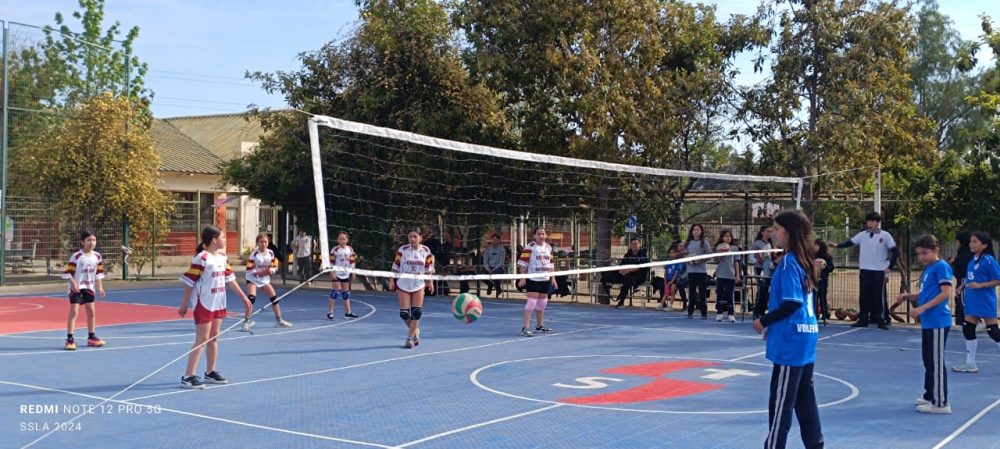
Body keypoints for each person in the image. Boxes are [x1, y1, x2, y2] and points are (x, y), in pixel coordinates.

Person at [752, 210, 823, 449]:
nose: (773, 233)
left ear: (789, 233)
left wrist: (765, 321)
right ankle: (816, 444)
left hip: (791, 341)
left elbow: (793, 302)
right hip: (805, 335)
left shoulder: (790, 262)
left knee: (781, 403)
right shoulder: (804, 262)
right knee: (804, 400)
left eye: (777, 229)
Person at [178, 225, 252, 389]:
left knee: (214, 337)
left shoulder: (222, 258)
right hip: (203, 303)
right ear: (214, 240)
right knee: (202, 339)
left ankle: (210, 372)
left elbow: (230, 278)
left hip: (219, 301)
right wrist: (184, 305)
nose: (225, 240)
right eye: (223, 237)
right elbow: (189, 282)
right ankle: (188, 375)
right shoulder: (201, 258)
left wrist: (244, 298)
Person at [893, 235, 953, 414]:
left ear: (936, 250)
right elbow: (927, 294)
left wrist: (921, 309)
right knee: (928, 361)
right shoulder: (929, 269)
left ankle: (942, 403)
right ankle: (930, 395)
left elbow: (945, 294)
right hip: (929, 321)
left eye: (925, 253)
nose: (921, 257)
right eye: (919, 254)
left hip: (938, 320)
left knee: (936, 362)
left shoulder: (942, 267)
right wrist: (909, 296)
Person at [830, 212, 898, 330]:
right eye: (868, 221)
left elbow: (895, 251)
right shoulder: (862, 235)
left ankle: (881, 320)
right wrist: (837, 245)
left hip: (879, 270)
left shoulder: (885, 235)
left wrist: (890, 267)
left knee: (878, 297)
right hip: (865, 269)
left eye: (872, 221)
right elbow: (850, 242)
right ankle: (863, 319)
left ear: (877, 223)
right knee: (864, 295)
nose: (870, 224)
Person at [953, 232, 1000, 374]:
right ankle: (970, 363)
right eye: (971, 241)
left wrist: (980, 285)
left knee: (993, 331)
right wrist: (962, 286)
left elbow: (998, 279)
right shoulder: (972, 260)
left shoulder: (989, 260)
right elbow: (970, 277)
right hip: (972, 299)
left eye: (975, 241)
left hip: (985, 299)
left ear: (984, 245)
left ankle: (970, 362)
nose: (971, 244)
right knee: (968, 328)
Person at [62, 230, 107, 350]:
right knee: (74, 312)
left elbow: (99, 273)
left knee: (91, 312)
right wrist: (73, 283)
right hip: (76, 288)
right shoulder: (77, 256)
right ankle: (70, 339)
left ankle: (91, 337)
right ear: (82, 242)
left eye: (94, 240)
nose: (92, 242)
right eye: (89, 240)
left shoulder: (97, 256)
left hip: (89, 287)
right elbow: (68, 272)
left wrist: (100, 287)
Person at [390, 228, 435, 349]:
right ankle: (415, 331)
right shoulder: (403, 250)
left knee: (416, 312)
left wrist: (430, 282)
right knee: (404, 314)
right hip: (404, 283)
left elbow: (428, 268)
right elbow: (395, 265)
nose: (412, 239)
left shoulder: (426, 250)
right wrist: (391, 280)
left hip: (418, 284)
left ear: (420, 238)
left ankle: (409, 339)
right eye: (410, 237)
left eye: (415, 236)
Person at [242, 233, 292, 331]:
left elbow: (273, 266)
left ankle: (279, 320)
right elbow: (249, 270)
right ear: (257, 243)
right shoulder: (254, 254)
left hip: (264, 279)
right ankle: (247, 321)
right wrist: (262, 272)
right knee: (251, 298)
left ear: (268, 243)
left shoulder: (271, 253)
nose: (263, 244)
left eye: (265, 242)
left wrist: (271, 270)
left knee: (274, 298)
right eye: (261, 242)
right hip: (252, 278)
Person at [517, 226, 556, 337]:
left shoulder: (548, 247)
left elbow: (551, 263)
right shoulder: (530, 247)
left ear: (546, 235)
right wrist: (523, 277)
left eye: (543, 234)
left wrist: (553, 278)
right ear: (534, 236)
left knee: (542, 303)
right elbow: (522, 263)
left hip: (545, 278)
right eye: (538, 234)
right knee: (531, 303)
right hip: (533, 278)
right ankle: (526, 328)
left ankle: (539, 325)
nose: (541, 236)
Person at [609, 238, 650, 309]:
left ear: (639, 245)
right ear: (630, 245)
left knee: (627, 281)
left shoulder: (643, 254)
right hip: (628, 276)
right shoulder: (627, 255)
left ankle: (621, 300)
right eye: (633, 244)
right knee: (626, 280)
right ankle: (621, 300)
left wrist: (629, 270)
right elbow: (621, 265)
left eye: (636, 244)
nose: (634, 245)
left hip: (640, 276)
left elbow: (640, 267)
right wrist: (621, 271)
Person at [328, 231, 360, 320]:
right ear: (337, 240)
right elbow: (331, 262)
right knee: (335, 292)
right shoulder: (335, 250)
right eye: (340, 239)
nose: (342, 240)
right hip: (337, 274)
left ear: (347, 240)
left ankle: (348, 312)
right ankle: (330, 313)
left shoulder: (350, 249)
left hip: (345, 274)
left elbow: (352, 262)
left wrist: (353, 272)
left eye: (344, 239)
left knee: (346, 294)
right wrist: (332, 272)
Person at [685, 224, 711, 319]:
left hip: (701, 272)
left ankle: (703, 313)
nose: (696, 231)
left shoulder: (704, 243)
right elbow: (685, 255)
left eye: (698, 229)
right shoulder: (688, 243)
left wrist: (700, 259)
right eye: (694, 229)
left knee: (702, 293)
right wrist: (688, 260)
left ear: (701, 231)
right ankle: (690, 312)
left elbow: (709, 256)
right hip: (691, 271)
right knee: (691, 293)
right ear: (691, 231)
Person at [714, 230, 740, 323]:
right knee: (720, 294)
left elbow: (736, 262)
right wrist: (722, 254)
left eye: (729, 236)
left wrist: (737, 275)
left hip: (731, 275)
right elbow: (716, 260)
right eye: (726, 236)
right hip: (720, 274)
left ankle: (731, 314)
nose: (728, 238)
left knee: (730, 294)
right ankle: (719, 313)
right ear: (722, 238)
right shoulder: (718, 247)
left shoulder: (734, 248)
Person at [752, 226, 776, 319]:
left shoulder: (771, 244)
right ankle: (757, 311)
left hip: (769, 269)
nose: (769, 233)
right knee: (761, 290)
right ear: (762, 232)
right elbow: (752, 256)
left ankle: (762, 312)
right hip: (760, 269)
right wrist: (758, 261)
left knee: (767, 291)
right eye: (767, 231)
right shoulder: (757, 243)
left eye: (771, 231)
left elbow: (772, 256)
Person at [951, 232, 974, 325]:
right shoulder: (962, 251)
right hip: (960, 278)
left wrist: (954, 262)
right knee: (958, 299)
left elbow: (963, 266)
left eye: (957, 240)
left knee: (962, 300)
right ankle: (960, 322)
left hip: (964, 278)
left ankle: (972, 320)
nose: (956, 242)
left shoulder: (966, 253)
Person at [814, 239, 835, 325]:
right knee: (814, 298)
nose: (814, 247)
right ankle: (814, 315)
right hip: (813, 280)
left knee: (822, 297)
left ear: (820, 246)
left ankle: (825, 315)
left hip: (823, 280)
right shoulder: (812, 255)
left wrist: (824, 267)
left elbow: (831, 268)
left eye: (815, 245)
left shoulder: (827, 256)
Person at [659, 245, 683, 311]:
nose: (672, 254)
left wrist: (672, 281)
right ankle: (661, 304)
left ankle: (670, 306)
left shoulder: (678, 263)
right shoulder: (668, 262)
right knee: (666, 293)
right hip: (667, 280)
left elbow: (676, 273)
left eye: (673, 253)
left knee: (672, 292)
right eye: (670, 253)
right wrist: (665, 279)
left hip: (674, 280)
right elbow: (666, 272)